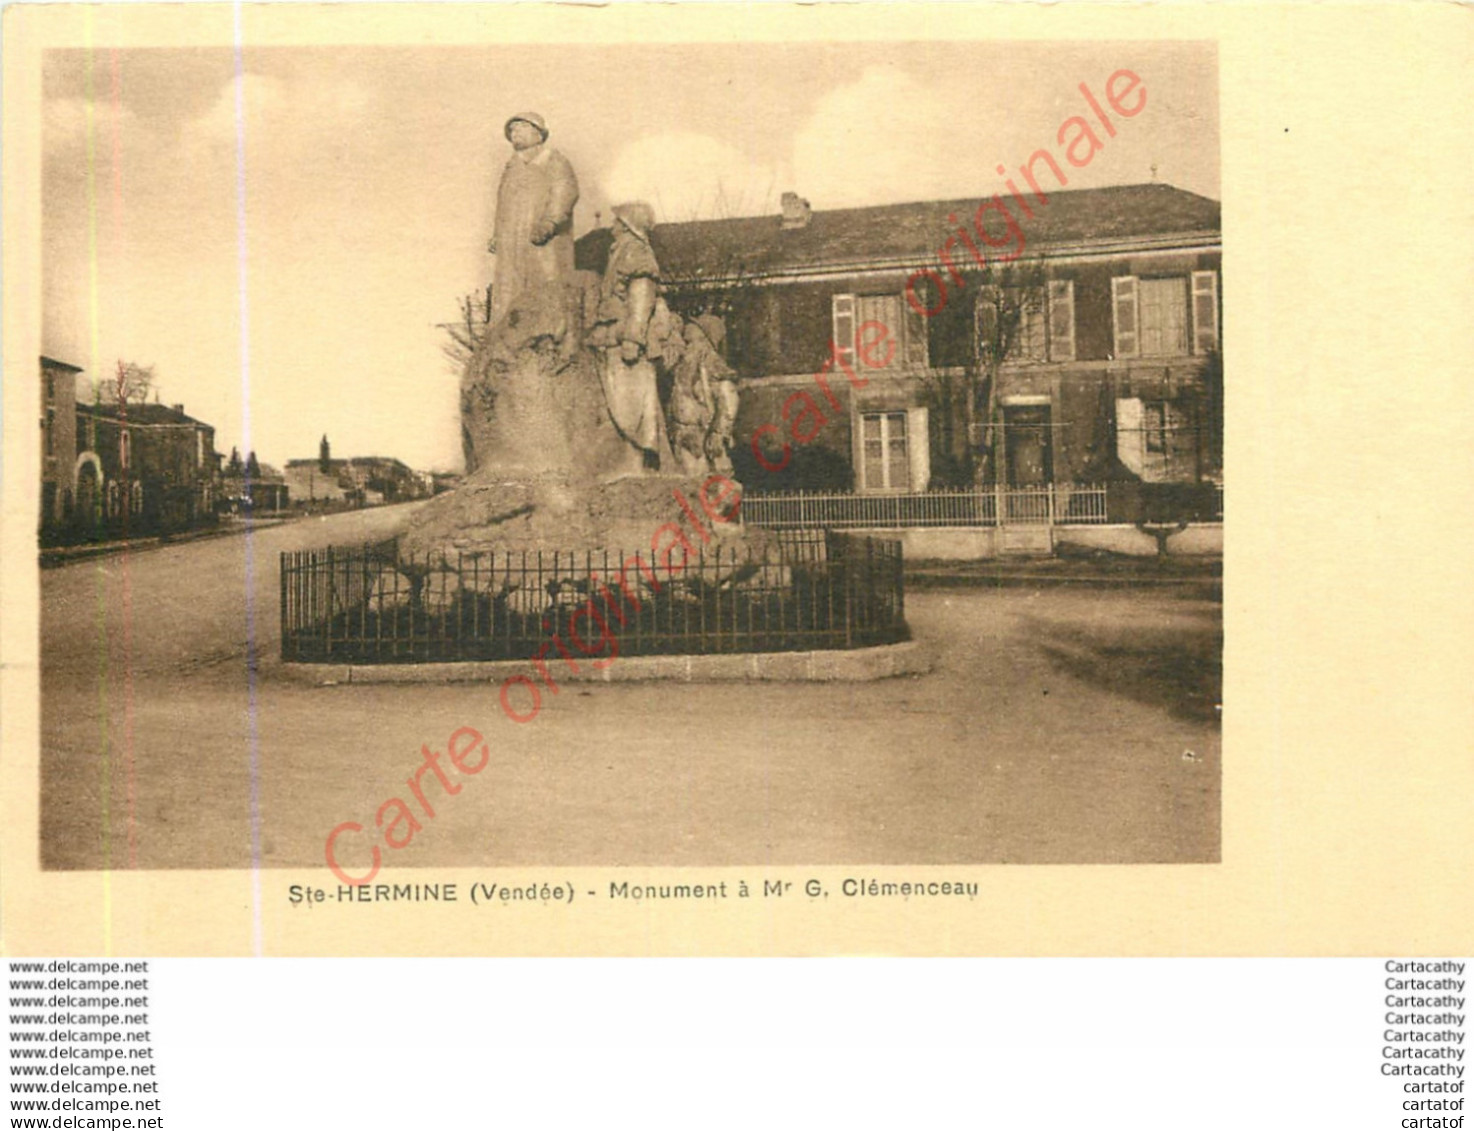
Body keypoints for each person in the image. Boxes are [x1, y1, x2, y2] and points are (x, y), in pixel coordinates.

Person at [486, 112, 580, 324]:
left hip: (543, 241)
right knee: (509, 291)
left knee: (545, 289)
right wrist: (496, 235)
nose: (514, 133)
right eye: (512, 130)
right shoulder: (511, 168)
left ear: (538, 134)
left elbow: (565, 192)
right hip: (511, 243)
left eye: (521, 127)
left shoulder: (554, 161)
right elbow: (502, 204)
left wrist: (550, 222)